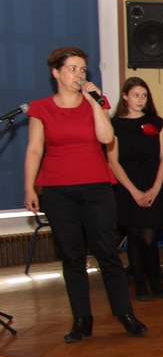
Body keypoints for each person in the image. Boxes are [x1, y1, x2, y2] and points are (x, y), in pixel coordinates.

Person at [24, 47, 146, 341]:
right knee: (72, 256)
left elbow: (106, 138)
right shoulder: (41, 108)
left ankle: (125, 313)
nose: (79, 74)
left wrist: (95, 103)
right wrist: (29, 187)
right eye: (72, 69)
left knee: (107, 252)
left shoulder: (96, 102)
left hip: (96, 187)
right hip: (57, 190)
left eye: (82, 70)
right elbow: (35, 149)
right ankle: (82, 319)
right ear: (56, 72)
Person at [107, 77, 163, 302]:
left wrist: (155, 188)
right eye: (135, 95)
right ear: (125, 96)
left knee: (149, 239)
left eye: (144, 95)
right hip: (127, 186)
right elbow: (113, 161)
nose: (140, 99)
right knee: (134, 237)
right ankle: (140, 286)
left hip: (152, 183)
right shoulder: (114, 125)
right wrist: (133, 191)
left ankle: (155, 281)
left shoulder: (156, 122)